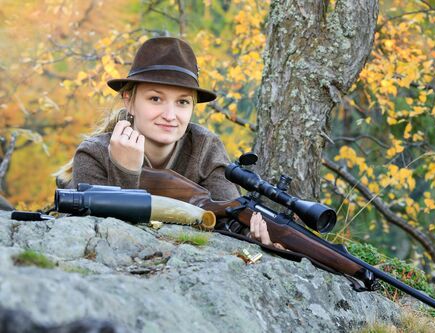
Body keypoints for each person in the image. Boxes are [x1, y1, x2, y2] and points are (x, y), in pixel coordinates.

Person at [56, 36, 275, 246]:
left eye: (182, 102)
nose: (170, 115)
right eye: (155, 99)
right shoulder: (94, 154)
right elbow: (104, 237)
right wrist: (126, 172)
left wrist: (255, 235)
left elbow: (233, 220)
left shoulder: (206, 147)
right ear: (129, 101)